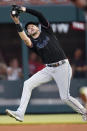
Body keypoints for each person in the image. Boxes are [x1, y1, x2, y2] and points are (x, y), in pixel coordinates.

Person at [6, 5, 87, 122]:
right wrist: (16, 21)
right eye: (28, 28)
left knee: (65, 97)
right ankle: (20, 113)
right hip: (48, 69)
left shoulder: (46, 31)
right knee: (27, 84)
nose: (31, 28)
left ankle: (84, 112)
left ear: (38, 28)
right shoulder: (33, 43)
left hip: (62, 66)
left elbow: (39, 15)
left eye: (33, 26)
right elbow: (24, 38)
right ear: (28, 32)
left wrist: (24, 9)